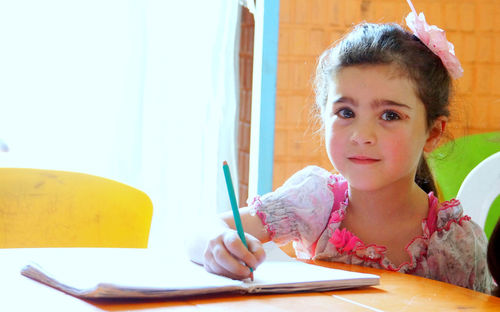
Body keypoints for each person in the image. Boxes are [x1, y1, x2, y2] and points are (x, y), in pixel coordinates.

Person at [187, 1, 493, 294]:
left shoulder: (458, 244)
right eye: (346, 113)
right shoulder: (314, 203)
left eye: (390, 115)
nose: (361, 135)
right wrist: (218, 243)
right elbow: (199, 231)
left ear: (432, 133)